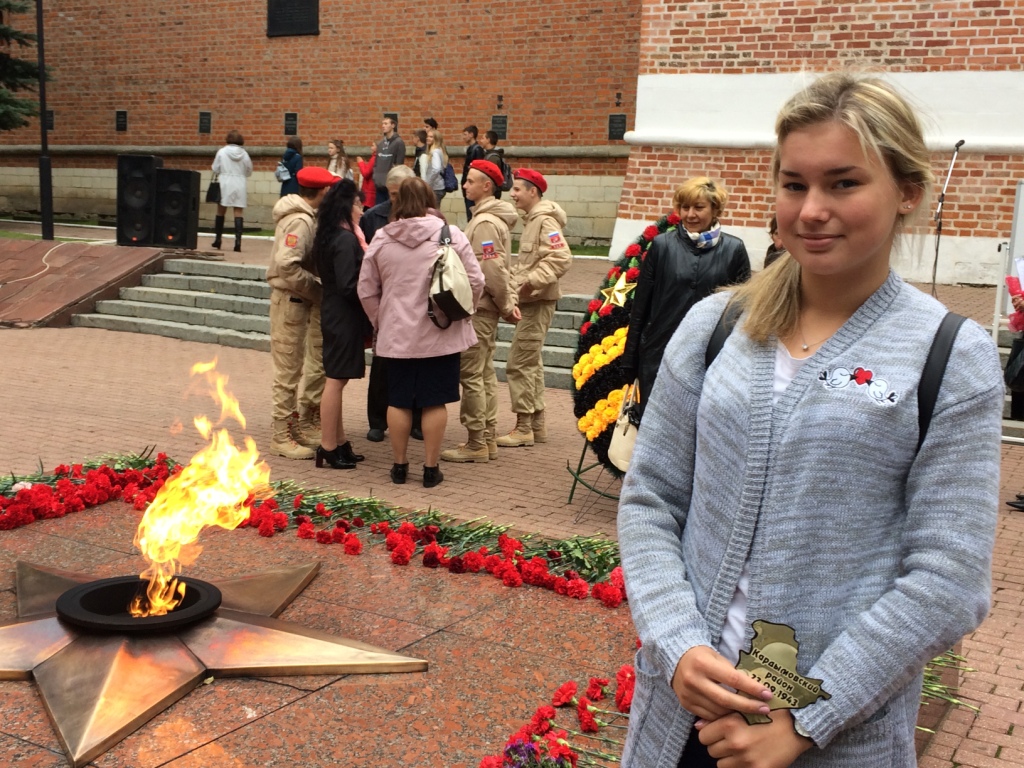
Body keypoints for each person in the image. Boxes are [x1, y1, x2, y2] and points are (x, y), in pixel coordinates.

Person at [617, 72, 1003, 768]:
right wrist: (676, 644)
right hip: (683, 719)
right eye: (794, 184)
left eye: (844, 183)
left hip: (838, 739)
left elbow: (948, 578)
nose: (812, 209)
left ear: (907, 192)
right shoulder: (717, 327)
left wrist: (806, 714)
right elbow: (651, 500)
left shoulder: (949, 356)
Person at [358, 177, 485, 488]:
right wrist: (462, 312)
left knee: (398, 401)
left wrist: (381, 321)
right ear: (432, 200)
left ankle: (399, 466)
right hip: (440, 333)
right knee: (434, 402)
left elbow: (365, 289)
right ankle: (430, 468)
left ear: (398, 202)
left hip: (397, 335)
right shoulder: (450, 234)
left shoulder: (381, 238)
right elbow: (476, 280)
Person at [621, 177, 751, 414]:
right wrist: (630, 358)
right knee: (656, 421)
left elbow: (742, 309)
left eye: (699, 207)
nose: (690, 214)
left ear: (715, 210)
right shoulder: (662, 246)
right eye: (685, 207)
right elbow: (641, 305)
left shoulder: (734, 249)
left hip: (710, 353)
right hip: (660, 351)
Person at [441, 160, 521, 463]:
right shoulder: (485, 219)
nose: (465, 186)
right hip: (487, 309)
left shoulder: (485, 222)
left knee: (473, 375)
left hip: (481, 310)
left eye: (471, 181)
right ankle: (486, 438)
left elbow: (491, 269)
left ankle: (477, 441)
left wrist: (506, 304)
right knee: (484, 374)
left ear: (487, 186)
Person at [266, 166, 339, 459]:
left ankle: (292, 427)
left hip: (295, 300)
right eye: (329, 189)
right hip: (290, 299)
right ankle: (280, 435)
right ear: (321, 192)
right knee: (288, 369)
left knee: (295, 367)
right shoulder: (301, 221)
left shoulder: (304, 217)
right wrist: (316, 290)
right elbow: (287, 264)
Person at [496, 169, 572, 447]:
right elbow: (531, 261)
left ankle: (524, 426)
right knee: (531, 363)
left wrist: (530, 283)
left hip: (538, 302)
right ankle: (536, 424)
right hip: (531, 302)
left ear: (533, 192)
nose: (512, 194)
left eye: (517, 189)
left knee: (518, 363)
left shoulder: (544, 221)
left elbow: (561, 257)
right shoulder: (533, 221)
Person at [358, 164, 423, 443]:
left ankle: (418, 420)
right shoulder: (374, 217)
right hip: (384, 301)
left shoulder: (428, 218)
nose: (399, 200)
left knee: (420, 365)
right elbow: (366, 266)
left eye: (404, 193)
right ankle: (377, 420)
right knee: (383, 364)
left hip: (417, 302)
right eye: (395, 194)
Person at [311, 179, 372, 470]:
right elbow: (350, 284)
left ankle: (340, 441)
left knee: (338, 379)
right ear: (348, 206)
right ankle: (328, 446)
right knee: (336, 380)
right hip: (343, 314)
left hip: (336, 311)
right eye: (359, 204)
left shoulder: (332, 234)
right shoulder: (346, 239)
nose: (362, 209)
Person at [210, 130, 253, 252]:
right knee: (238, 211)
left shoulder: (222, 152)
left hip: (225, 182)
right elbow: (249, 170)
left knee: (220, 211)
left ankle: (218, 240)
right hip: (240, 183)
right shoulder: (244, 154)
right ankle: (238, 242)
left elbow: (215, 168)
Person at [372, 116, 406, 206]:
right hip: (379, 184)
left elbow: (399, 165)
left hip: (390, 185)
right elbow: (377, 162)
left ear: (393, 125)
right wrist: (375, 176)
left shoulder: (399, 143)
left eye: (386, 124)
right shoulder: (380, 143)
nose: (383, 126)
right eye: (382, 124)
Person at [461, 125, 485, 219]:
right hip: (468, 184)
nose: (463, 137)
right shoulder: (471, 149)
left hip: (472, 184)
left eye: (465, 134)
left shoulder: (477, 149)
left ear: (471, 135)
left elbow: (478, 169)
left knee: (472, 213)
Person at [424, 129, 450, 206]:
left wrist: (428, 183)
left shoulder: (435, 152)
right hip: (438, 187)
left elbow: (436, 169)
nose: (428, 138)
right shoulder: (440, 151)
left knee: (433, 212)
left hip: (435, 188)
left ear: (436, 139)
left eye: (431, 137)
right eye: (428, 136)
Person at [480, 130, 507, 199]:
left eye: (483, 138)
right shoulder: (488, 155)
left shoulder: (493, 158)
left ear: (488, 140)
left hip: (491, 193)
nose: (481, 141)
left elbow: (490, 177)